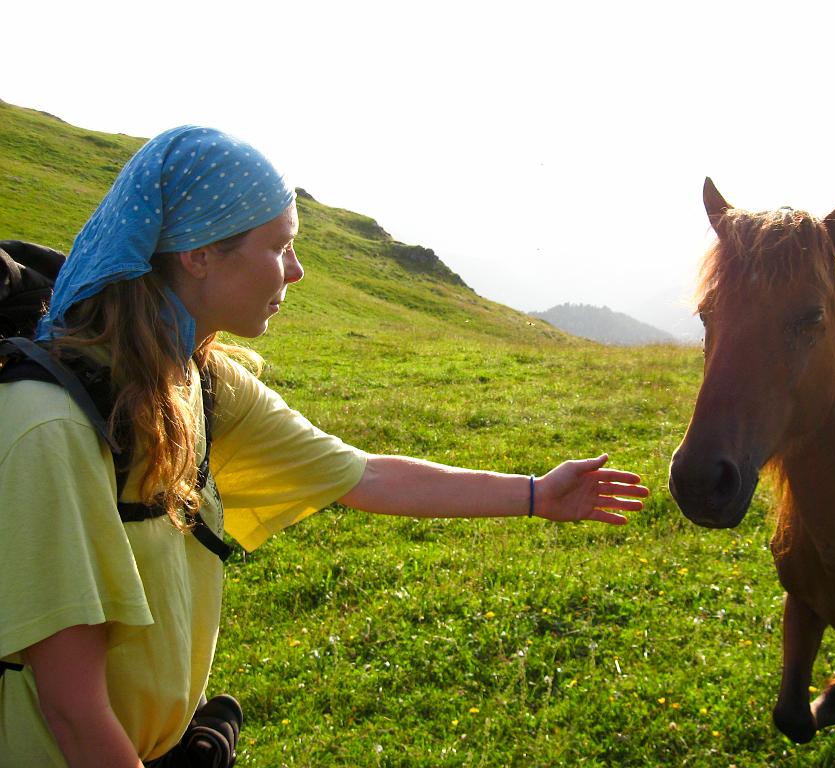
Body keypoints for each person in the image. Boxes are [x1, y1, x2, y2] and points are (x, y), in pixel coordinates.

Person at [0, 126, 649, 767]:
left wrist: (537, 494)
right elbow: (74, 713)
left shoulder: (199, 380)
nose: (298, 270)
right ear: (199, 253)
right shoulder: (51, 427)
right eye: (280, 245)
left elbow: (363, 475)